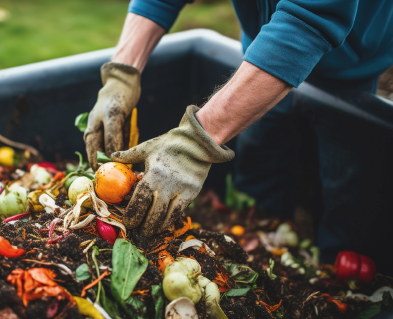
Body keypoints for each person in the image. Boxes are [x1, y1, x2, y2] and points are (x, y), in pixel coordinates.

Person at [84, 0, 393, 272]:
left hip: (350, 71)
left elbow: (310, 17)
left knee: (348, 207)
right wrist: (121, 73)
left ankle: (331, 280)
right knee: (257, 191)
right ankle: (275, 257)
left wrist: (195, 141)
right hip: (260, 59)